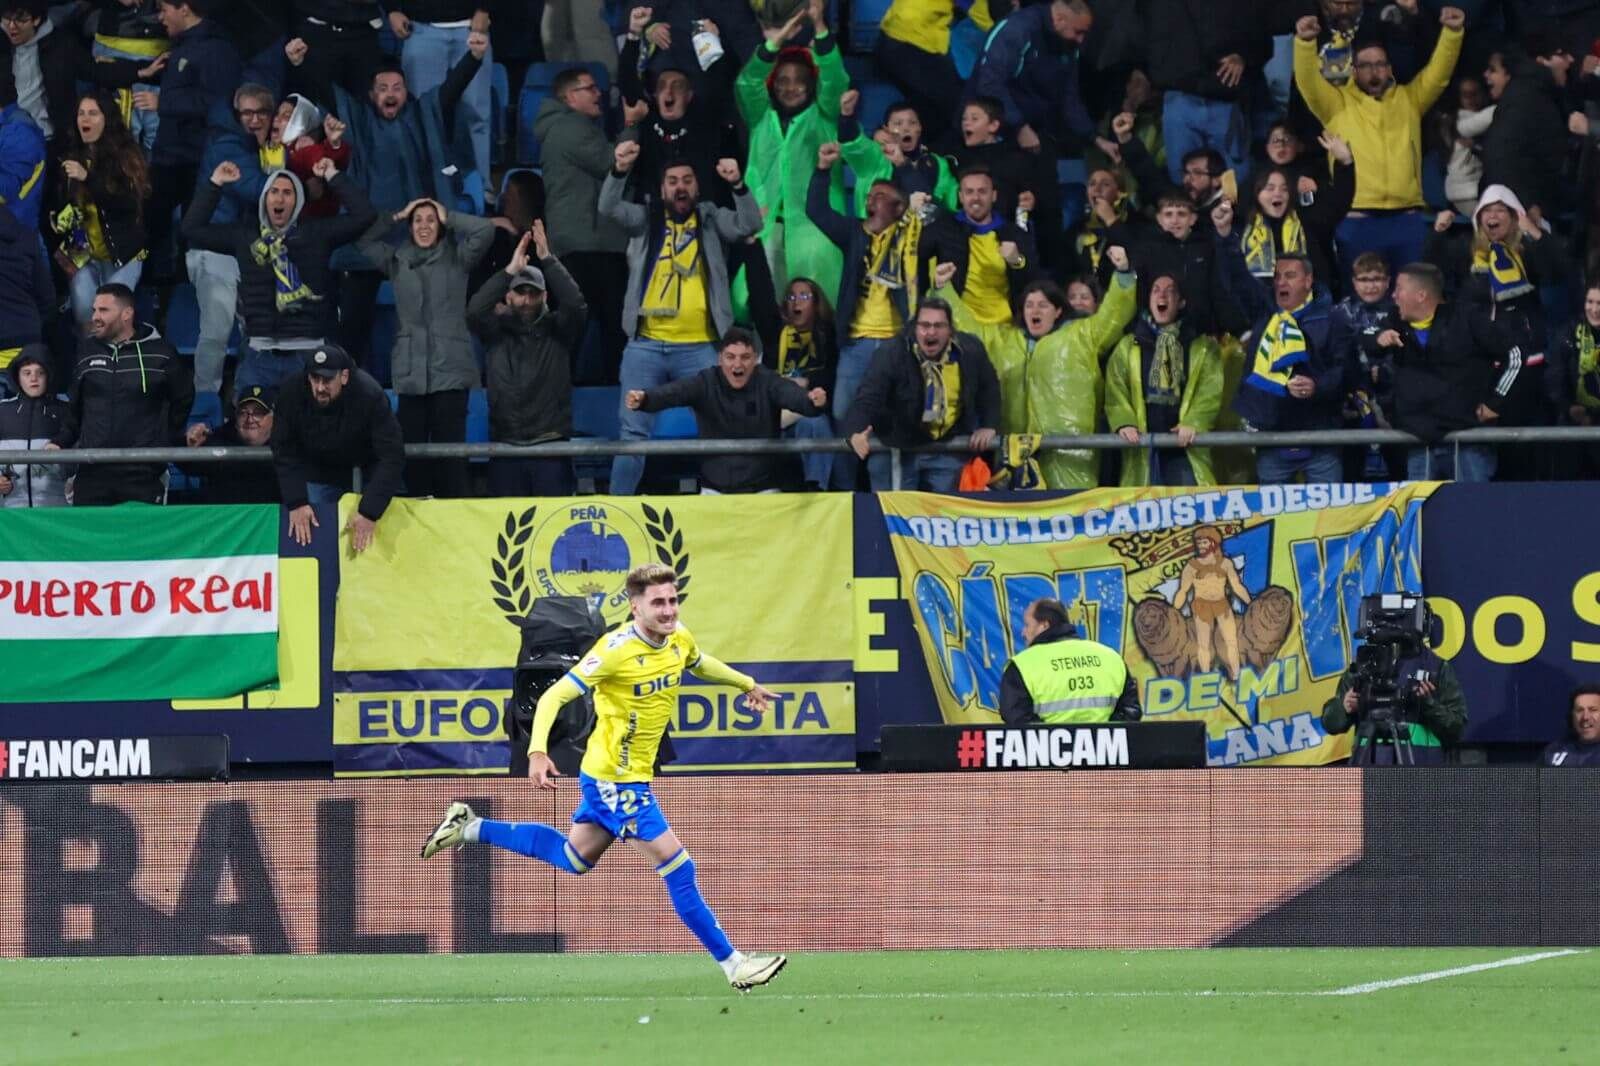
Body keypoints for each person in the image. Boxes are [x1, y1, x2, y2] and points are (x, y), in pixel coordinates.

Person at [419, 562, 788, 994]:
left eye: (672, 600)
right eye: (658, 603)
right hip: (617, 781)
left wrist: (746, 684)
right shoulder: (613, 649)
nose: (669, 611)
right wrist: (537, 750)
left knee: (574, 859)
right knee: (679, 867)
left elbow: (699, 661)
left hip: (620, 777)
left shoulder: (677, 637)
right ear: (635, 607)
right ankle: (734, 964)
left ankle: (472, 826)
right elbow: (556, 694)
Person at [600, 144, 760, 495]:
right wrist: (618, 171)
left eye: (687, 180)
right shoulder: (646, 218)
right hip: (645, 348)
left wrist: (738, 185)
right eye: (672, 181)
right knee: (633, 434)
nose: (680, 187)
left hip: (700, 350)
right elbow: (608, 207)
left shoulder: (711, 218)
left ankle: (730, 503)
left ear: (697, 187)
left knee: (724, 428)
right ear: (662, 189)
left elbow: (749, 223)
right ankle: (617, 509)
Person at [932, 247, 1136, 490]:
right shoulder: (1003, 341)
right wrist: (943, 289)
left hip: (1071, 457)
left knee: (1070, 520)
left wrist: (1123, 274)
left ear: (1058, 311)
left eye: (1043, 305)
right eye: (1029, 305)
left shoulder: (1082, 335)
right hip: (1014, 457)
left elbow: (1114, 314)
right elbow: (965, 327)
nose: (1035, 311)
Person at [1292, 7, 1464, 274]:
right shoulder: (1336, 105)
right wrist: (1304, 43)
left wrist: (1452, 33)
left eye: (1380, 64)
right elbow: (1307, 81)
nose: (1374, 71)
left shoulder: (1410, 100)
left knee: (1411, 299)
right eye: (1366, 65)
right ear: (1354, 70)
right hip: (1357, 220)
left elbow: (1438, 75)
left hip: (1407, 219)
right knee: (1360, 303)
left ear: (1389, 69)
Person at [182, 156, 377, 391]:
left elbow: (365, 215)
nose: (280, 198)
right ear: (265, 199)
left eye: (287, 192)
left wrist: (333, 176)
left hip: (308, 355)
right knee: (251, 425)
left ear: (298, 201)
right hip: (259, 355)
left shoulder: (317, 233)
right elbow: (192, 228)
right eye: (274, 191)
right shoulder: (245, 236)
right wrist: (215, 183)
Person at [357, 195, 494, 499]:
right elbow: (364, 242)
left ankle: (455, 524)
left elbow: (485, 230)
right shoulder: (397, 260)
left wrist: (450, 216)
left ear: (440, 224)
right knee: (412, 456)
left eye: (431, 219)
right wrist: (397, 214)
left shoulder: (459, 257)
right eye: (417, 219)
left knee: (451, 458)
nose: (424, 225)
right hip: (411, 372)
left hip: (451, 370)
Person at [806, 143, 926, 488]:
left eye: (880, 195)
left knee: (890, 421)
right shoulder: (855, 234)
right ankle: (845, 494)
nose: (870, 199)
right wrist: (823, 170)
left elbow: (923, 196)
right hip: (856, 344)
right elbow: (816, 210)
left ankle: (886, 495)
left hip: (895, 345)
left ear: (899, 206)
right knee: (845, 418)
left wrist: (902, 166)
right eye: (869, 194)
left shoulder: (912, 237)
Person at [625, 326, 827, 494]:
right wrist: (645, 399)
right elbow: (673, 393)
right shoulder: (705, 382)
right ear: (720, 359)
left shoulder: (767, 380)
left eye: (745, 357)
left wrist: (810, 401)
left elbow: (789, 394)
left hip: (764, 490)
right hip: (714, 490)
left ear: (755, 359)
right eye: (731, 357)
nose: (737, 364)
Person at [736, 0, 848, 295]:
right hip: (765, 223)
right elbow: (748, 82)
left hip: (814, 229)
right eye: (783, 80)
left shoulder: (825, 116)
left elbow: (835, 79)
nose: (790, 87)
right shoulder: (760, 116)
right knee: (758, 308)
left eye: (800, 81)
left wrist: (820, 26)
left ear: (812, 85)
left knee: (816, 308)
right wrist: (777, 42)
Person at [467, 223, 586, 498]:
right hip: (505, 446)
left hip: (550, 445)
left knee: (551, 528)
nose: (527, 301)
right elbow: (474, 311)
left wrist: (547, 259)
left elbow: (576, 304)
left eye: (534, 294)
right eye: (520, 293)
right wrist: (508, 271)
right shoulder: (494, 331)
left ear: (545, 297)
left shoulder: (560, 329)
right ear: (508, 296)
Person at [1370, 261, 1517, 482]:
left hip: (1467, 442)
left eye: (1399, 289)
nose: (1393, 296)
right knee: (1422, 515)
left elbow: (1513, 354)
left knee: (1474, 511)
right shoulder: (1395, 322)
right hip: (1418, 443)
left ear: (1420, 295)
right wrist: (1378, 339)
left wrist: (1495, 401)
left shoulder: (1467, 319)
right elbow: (1365, 338)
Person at [838, 296, 1000, 493]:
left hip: (946, 446)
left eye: (939, 325)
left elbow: (989, 387)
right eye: (924, 325)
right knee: (892, 518)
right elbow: (868, 396)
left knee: (945, 517)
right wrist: (854, 431)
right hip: (899, 447)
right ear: (915, 328)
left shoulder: (970, 350)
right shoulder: (892, 352)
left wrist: (989, 425)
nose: (931, 332)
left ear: (950, 330)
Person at [51, 283, 193, 506]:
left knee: (143, 541)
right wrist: (61, 441)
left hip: (143, 473)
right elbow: (76, 408)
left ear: (127, 313)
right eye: (94, 310)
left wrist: (163, 441)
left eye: (104, 310)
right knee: (90, 541)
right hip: (92, 471)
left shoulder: (162, 353)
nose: (95, 317)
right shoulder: (86, 351)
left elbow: (183, 399)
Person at [534, 66, 630, 384]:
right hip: (590, 244)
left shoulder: (563, 126)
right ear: (570, 96)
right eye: (590, 88)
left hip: (582, 242)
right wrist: (631, 125)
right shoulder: (571, 127)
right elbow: (612, 163)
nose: (598, 93)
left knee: (579, 329)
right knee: (607, 328)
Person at [1227, 252, 1351, 484]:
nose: (1281, 282)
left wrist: (1317, 386)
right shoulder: (1265, 319)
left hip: (1321, 438)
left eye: (1290, 275)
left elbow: (1345, 372)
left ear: (1308, 280)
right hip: (1273, 437)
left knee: (1326, 518)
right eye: (1277, 276)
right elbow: (1238, 279)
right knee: (1274, 519)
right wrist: (1226, 239)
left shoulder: (1333, 319)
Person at [142, 0, 242, 285]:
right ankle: (141, 286)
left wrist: (165, 102)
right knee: (147, 229)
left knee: (192, 234)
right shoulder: (181, 46)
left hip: (196, 161)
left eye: (164, 9)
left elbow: (218, 102)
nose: (160, 17)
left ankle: (184, 299)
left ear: (184, 8)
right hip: (167, 156)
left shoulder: (217, 49)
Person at [270, 343, 405, 554]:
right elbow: (283, 449)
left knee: (380, 532)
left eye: (327, 380)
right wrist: (296, 502)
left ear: (344, 376)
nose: (320, 387)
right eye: (315, 379)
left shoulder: (370, 394)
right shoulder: (292, 391)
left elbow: (391, 455)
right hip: (318, 468)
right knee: (318, 535)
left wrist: (370, 511)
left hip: (369, 465)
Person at [1105, 274, 1225, 487]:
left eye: (1170, 290)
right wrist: (1124, 421)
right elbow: (1116, 388)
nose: (1162, 294)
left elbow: (1210, 391)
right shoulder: (1128, 345)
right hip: (1141, 449)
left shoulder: (1201, 347)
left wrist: (1194, 422)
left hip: (1185, 450)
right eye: (1156, 289)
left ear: (1181, 302)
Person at [1142, 0, 1272, 187]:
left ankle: (1232, 217)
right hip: (1179, 97)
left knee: (1234, 181)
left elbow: (1263, 40)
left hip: (1226, 98)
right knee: (1183, 179)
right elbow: (1140, 32)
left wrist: (1243, 56)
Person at [1212, 133, 1355, 303]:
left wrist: (1345, 163)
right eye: (1270, 188)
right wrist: (1223, 230)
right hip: (1259, 308)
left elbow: (1339, 203)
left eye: (1284, 188)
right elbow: (1230, 269)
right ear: (1257, 194)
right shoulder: (1242, 223)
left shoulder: (1307, 220)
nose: (1277, 193)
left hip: (1310, 307)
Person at [0, 0, 151, 156]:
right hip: (5, 138)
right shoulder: (2, 46)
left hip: (47, 141)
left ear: (36, 19)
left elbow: (97, 71)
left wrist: (140, 72)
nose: (12, 26)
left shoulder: (61, 45)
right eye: (6, 18)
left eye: (20, 19)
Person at [53, 92, 149, 328]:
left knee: (110, 318)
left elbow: (128, 204)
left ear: (107, 119)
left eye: (93, 113)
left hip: (125, 252)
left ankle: (115, 362)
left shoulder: (126, 155)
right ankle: (90, 362)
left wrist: (88, 178)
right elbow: (63, 205)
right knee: (85, 313)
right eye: (81, 113)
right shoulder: (71, 155)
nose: (85, 119)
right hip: (82, 250)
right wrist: (59, 219)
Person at [1320, 619, 1468, 765]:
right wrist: (1344, 707)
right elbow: (1331, 725)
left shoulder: (1436, 668)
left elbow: (1456, 729)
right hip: (1371, 772)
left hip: (1421, 774)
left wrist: (1429, 705)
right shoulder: (1363, 667)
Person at [386, 2, 493, 183]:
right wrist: (391, 9)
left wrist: (486, 9)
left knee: (476, 116)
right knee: (421, 117)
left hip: (473, 26)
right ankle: (423, 187)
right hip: (420, 27)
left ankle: (481, 189)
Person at [924, 164, 1036, 327]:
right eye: (969, 192)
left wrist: (1016, 261)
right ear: (961, 197)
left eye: (982, 191)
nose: (975, 198)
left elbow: (1033, 281)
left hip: (1005, 328)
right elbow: (913, 264)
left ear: (994, 196)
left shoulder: (1013, 233)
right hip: (959, 327)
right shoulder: (942, 230)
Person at [999, 597, 1142, 725]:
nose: (1023, 632)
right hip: (1106, 751)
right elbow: (1130, 712)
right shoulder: (1110, 657)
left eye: (1027, 625)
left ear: (1044, 625)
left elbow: (1017, 719)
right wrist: (1101, 739)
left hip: (1049, 752)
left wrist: (1057, 745)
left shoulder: (1023, 665)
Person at [758, 275, 837, 490]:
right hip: (777, 416)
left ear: (817, 303)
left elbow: (832, 379)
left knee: (814, 424)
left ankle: (817, 491)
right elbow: (761, 297)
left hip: (810, 414)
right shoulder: (776, 335)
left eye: (804, 296)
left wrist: (807, 381)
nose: (796, 301)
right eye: (791, 296)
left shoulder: (829, 336)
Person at [1175, 524, 1252, 680]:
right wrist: (1174, 610)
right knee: (1203, 645)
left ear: (1213, 542)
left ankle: (1236, 675)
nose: (1201, 546)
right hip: (1201, 606)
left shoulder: (1226, 563)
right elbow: (1183, 590)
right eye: (1199, 542)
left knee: (1231, 641)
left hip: (1222, 605)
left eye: (1204, 542)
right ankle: (1206, 676)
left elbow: (1237, 586)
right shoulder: (1191, 566)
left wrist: (1250, 603)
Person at [183, 384, 281, 504]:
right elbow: (190, 467)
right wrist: (192, 446)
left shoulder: (287, 446)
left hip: (271, 520)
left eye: (258, 413)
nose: (250, 419)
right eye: (243, 413)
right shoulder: (220, 442)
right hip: (226, 519)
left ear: (274, 418)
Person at [0, 346, 67, 507]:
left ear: (49, 375)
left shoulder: (66, 411)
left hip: (55, 511)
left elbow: (80, 461)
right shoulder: (2, 411)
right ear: (17, 377)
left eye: (40, 372)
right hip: (10, 515)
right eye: (27, 373)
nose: (34, 378)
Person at [1542, 685, 1600, 767]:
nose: (1585, 717)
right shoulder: (1553, 752)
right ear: (1571, 716)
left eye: (1593, 710)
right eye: (1579, 710)